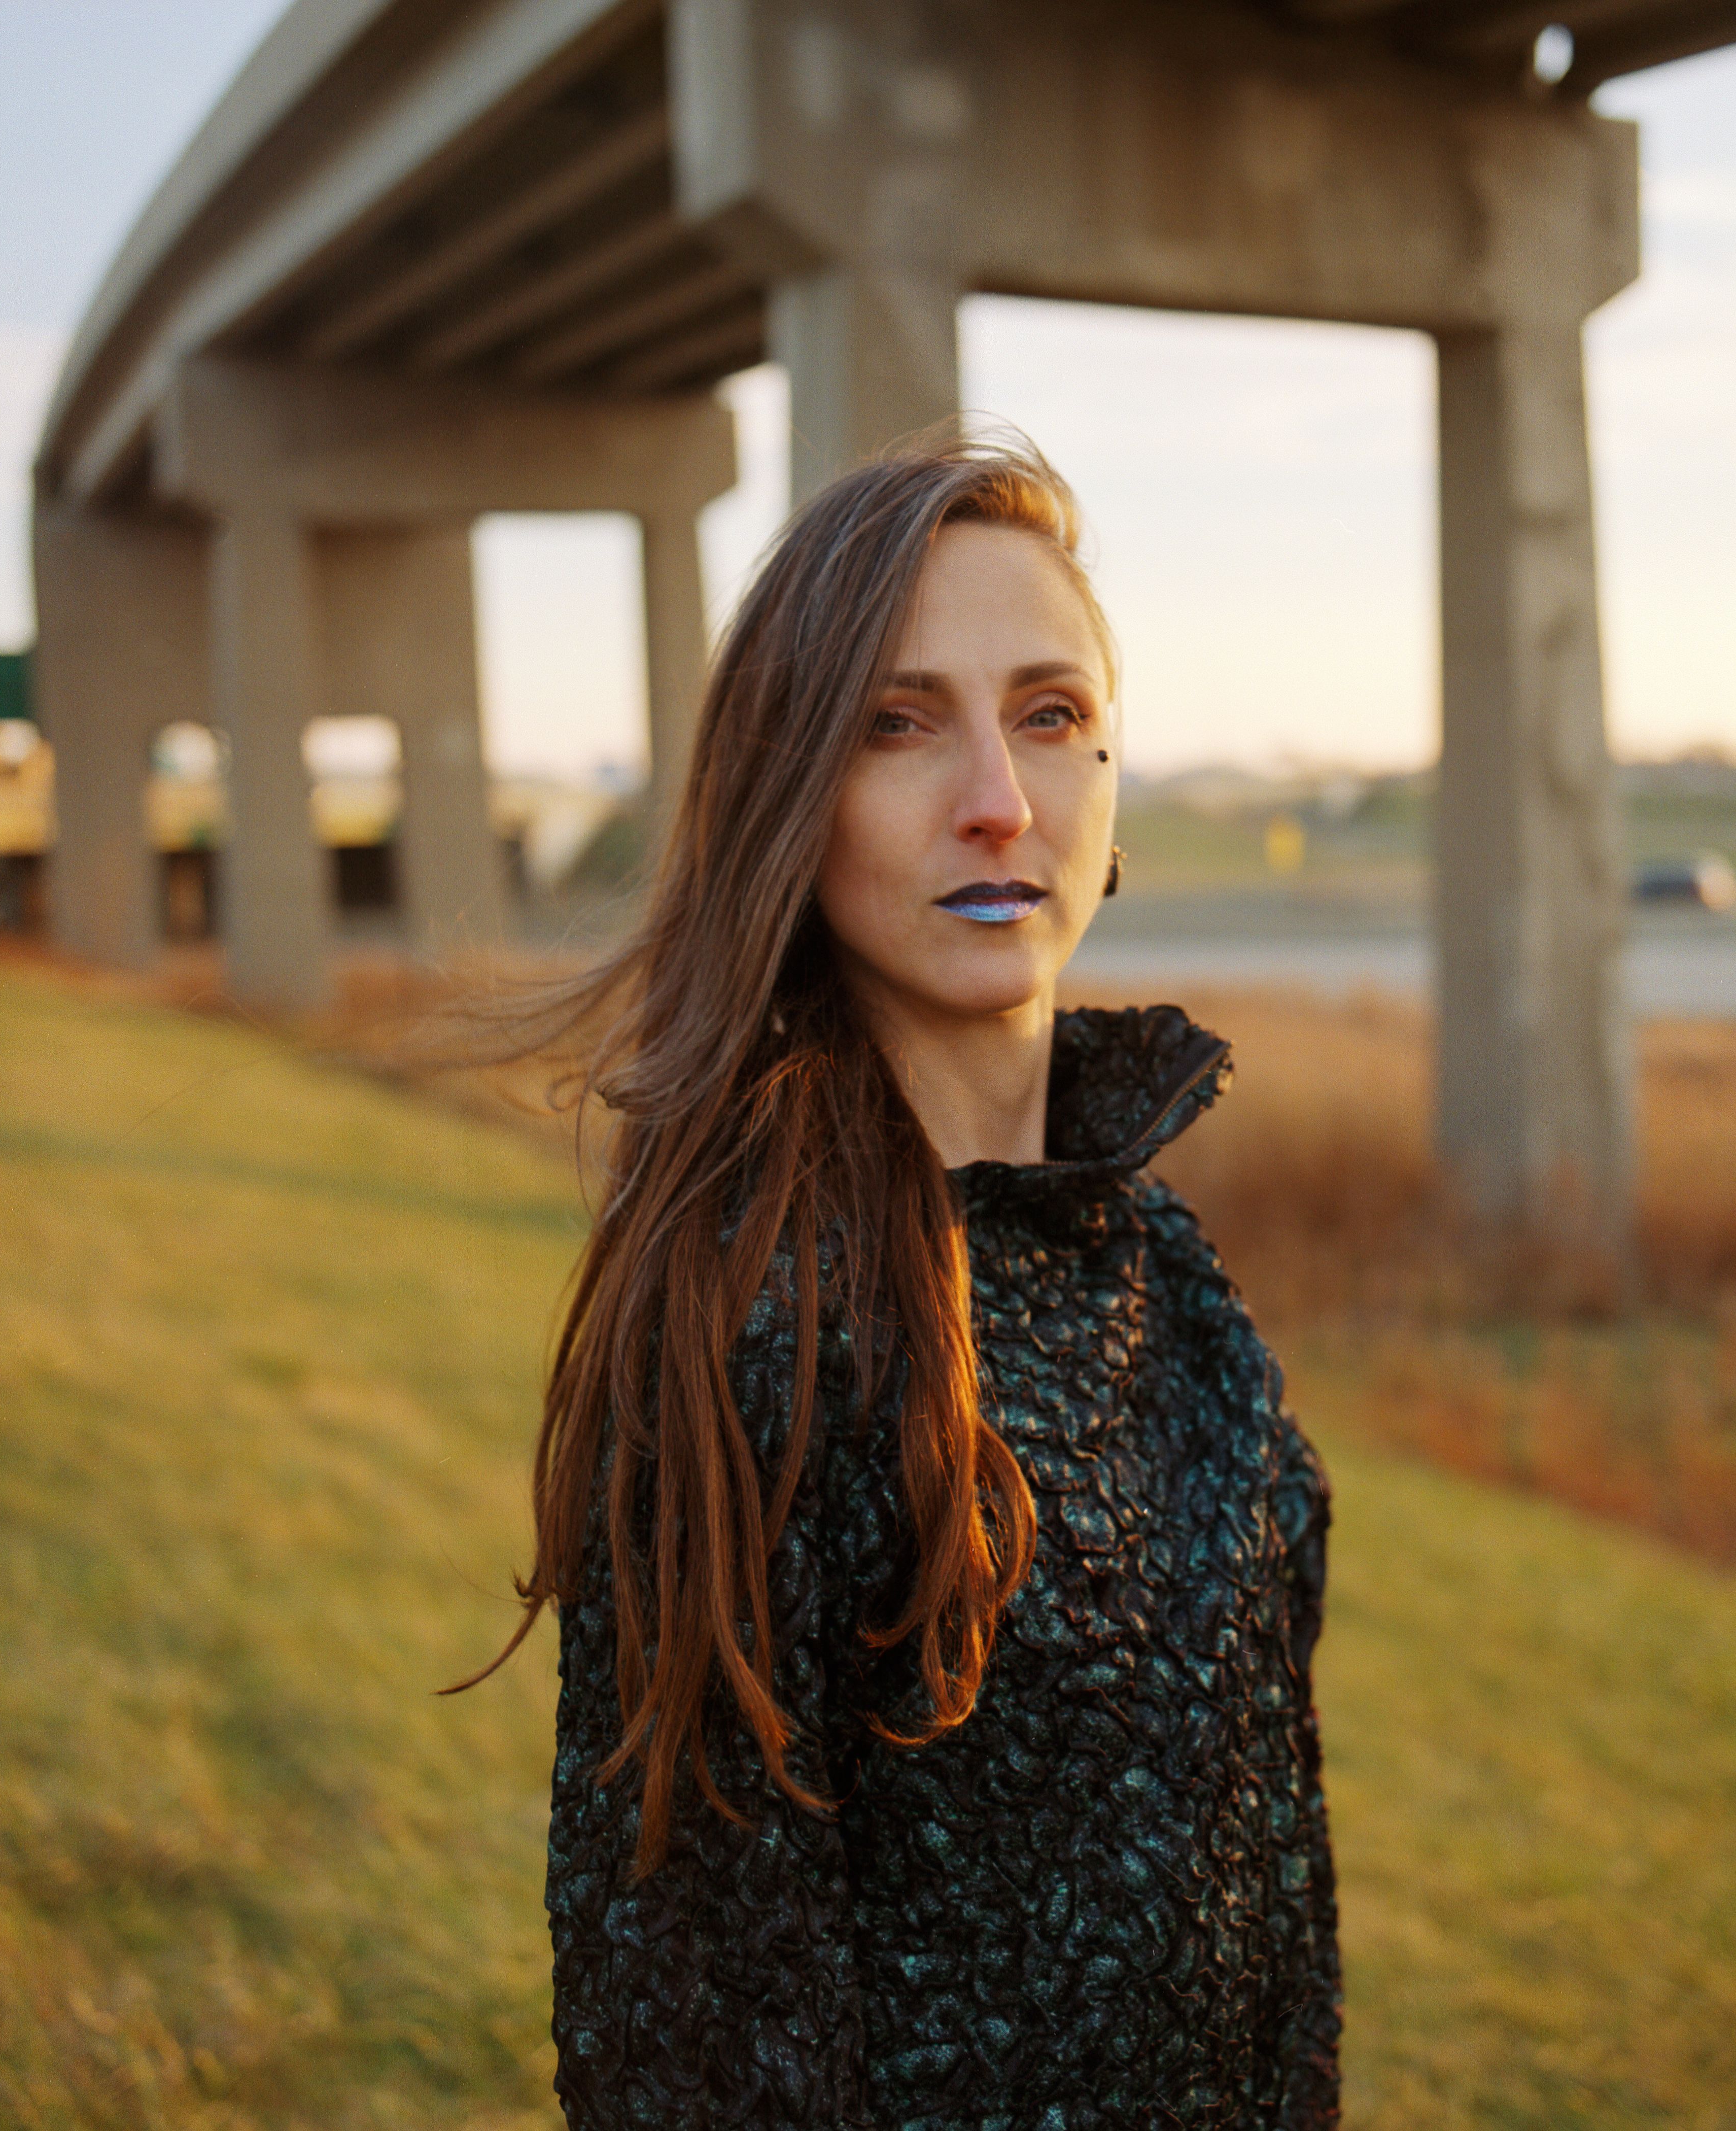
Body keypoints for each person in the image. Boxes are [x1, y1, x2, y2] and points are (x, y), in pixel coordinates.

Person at [472, 436, 1342, 2126]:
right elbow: (693, 2045)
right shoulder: (760, 1334)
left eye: (1049, 714)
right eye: (897, 721)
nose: (998, 799)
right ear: (793, 802)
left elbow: (1268, 1881)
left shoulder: (1164, 1267)